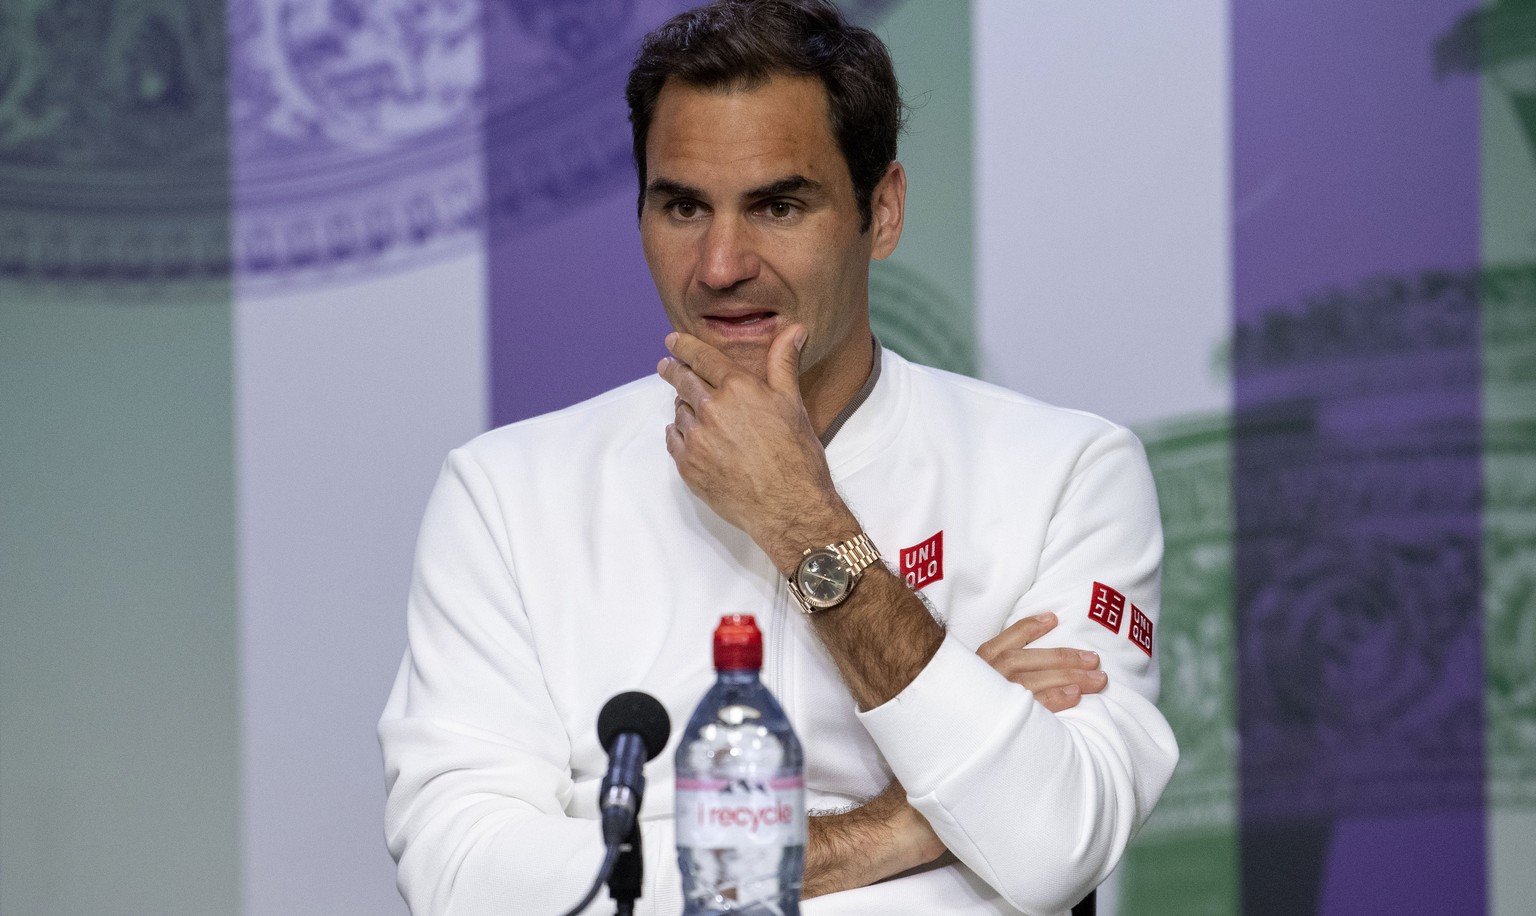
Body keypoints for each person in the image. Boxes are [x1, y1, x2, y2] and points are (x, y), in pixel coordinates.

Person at [378, 1, 1178, 913]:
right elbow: (465, 878)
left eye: (778, 205)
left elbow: (1050, 844)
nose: (720, 264)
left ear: (881, 212)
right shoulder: (506, 493)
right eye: (682, 206)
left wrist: (803, 518)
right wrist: (907, 824)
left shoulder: (1065, 473)